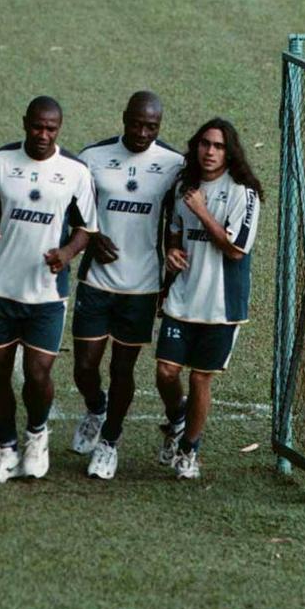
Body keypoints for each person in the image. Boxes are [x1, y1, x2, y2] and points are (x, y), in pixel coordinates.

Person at [0, 96, 97, 482]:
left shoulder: (75, 171)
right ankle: (5, 450)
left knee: (38, 374)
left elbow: (88, 227)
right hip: (1, 290)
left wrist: (68, 252)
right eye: (37, 126)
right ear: (25, 123)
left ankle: (36, 435)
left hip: (47, 296)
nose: (43, 134)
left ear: (60, 128)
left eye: (51, 128)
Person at [71, 91, 184, 479]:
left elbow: (180, 221)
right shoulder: (93, 158)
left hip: (142, 286)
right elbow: (73, 208)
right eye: (136, 123)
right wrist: (90, 233)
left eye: (151, 126)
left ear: (159, 126)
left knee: (123, 368)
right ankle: (95, 407)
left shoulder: (173, 165)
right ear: (124, 118)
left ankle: (110, 442)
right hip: (96, 281)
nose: (142, 132)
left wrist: (173, 271)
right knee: (84, 365)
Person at [155, 117, 262, 480]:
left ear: (229, 151)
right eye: (204, 144)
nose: (210, 151)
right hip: (183, 297)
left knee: (201, 379)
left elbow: (235, 249)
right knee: (165, 372)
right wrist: (172, 251)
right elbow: (175, 231)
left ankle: (189, 451)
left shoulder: (242, 193)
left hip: (220, 307)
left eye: (217, 146)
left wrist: (201, 210)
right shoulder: (184, 186)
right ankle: (178, 418)